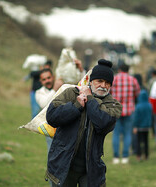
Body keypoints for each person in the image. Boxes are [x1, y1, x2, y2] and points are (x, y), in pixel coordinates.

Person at [45, 59, 122, 187]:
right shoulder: (71, 93)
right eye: (99, 81)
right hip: (63, 165)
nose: (103, 85)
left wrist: (90, 99)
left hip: (91, 169)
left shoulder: (113, 105)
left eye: (108, 83)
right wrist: (76, 106)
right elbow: (51, 117)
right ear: (91, 81)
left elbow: (102, 123)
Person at [111, 62, 140, 164]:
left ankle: (115, 157)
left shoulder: (114, 79)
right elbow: (137, 93)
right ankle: (125, 156)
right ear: (128, 70)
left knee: (116, 133)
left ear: (119, 69)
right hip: (129, 109)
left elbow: (109, 92)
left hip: (116, 109)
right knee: (128, 133)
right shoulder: (133, 80)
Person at [35, 68, 64, 151]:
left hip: (65, 125)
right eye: (44, 79)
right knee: (52, 151)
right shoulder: (39, 92)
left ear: (53, 77)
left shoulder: (62, 87)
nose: (47, 81)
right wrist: (54, 89)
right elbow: (44, 104)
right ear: (41, 81)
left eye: (49, 78)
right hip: (50, 127)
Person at [132, 90, 152, 161]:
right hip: (146, 127)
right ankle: (146, 155)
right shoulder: (149, 105)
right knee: (146, 141)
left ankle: (139, 155)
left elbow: (136, 117)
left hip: (139, 127)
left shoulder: (138, 106)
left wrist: (135, 126)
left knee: (138, 142)